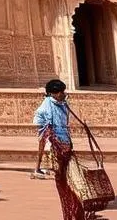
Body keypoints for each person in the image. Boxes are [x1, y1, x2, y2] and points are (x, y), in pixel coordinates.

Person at [34, 79, 84, 218]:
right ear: (52, 93)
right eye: (60, 92)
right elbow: (39, 122)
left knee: (69, 177)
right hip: (56, 144)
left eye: (63, 91)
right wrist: (49, 133)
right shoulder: (45, 107)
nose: (63, 94)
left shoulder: (63, 105)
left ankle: (74, 207)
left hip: (65, 142)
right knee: (63, 178)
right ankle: (71, 208)